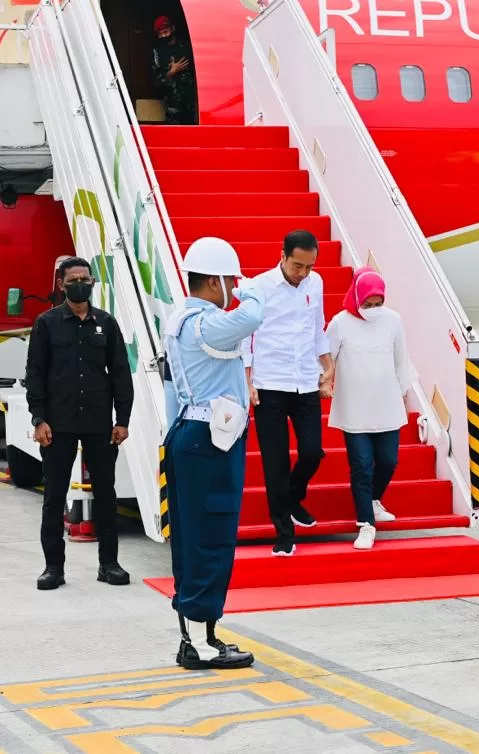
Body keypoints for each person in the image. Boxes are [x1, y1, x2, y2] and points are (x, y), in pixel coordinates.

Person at [162, 237, 266, 670]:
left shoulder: (180, 320)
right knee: (211, 537)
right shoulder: (205, 324)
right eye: (229, 281)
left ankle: (195, 636)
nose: (233, 288)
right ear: (213, 282)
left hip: (193, 433)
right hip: (209, 439)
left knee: (193, 537)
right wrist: (251, 289)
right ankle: (202, 642)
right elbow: (254, 315)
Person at [25, 257, 133, 591]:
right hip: (58, 423)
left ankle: (109, 564)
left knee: (106, 494)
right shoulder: (47, 323)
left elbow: (120, 372)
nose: (80, 284)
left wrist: (123, 419)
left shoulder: (106, 323)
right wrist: (38, 418)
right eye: (73, 280)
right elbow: (35, 373)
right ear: (61, 284)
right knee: (54, 495)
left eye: (85, 279)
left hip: (99, 422)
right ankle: (53, 568)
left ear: (93, 283)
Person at [242, 230, 334, 557]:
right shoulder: (259, 287)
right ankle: (284, 532)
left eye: (309, 266)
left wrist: (328, 366)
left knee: (312, 452)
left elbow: (317, 328)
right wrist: (248, 380)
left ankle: (293, 497)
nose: (303, 273)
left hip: (306, 380)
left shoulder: (315, 283)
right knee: (275, 460)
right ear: (282, 256)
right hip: (270, 383)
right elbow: (245, 336)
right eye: (298, 266)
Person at [325, 268, 412, 551]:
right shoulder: (340, 322)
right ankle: (366, 524)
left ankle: (373, 500)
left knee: (388, 460)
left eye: (378, 304)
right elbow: (325, 357)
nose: (373, 309)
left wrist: (402, 391)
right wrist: (324, 380)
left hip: (386, 402)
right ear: (356, 298)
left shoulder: (393, 320)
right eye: (367, 304)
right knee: (361, 465)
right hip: (354, 407)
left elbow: (401, 359)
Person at [151, 16, 197, 126]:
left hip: (191, 102)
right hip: (172, 105)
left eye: (165, 32)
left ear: (173, 29)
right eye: (160, 34)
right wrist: (172, 72)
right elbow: (156, 81)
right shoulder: (158, 52)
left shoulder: (187, 47)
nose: (163, 36)